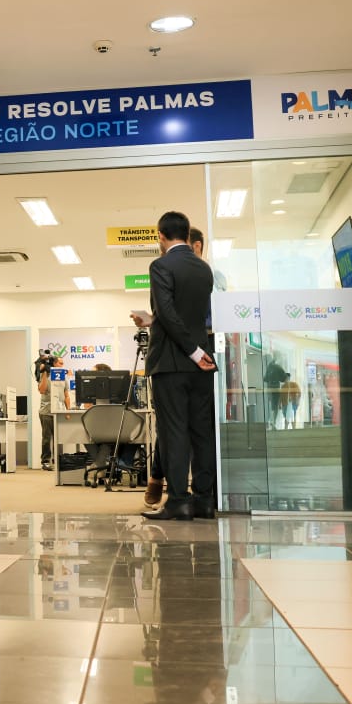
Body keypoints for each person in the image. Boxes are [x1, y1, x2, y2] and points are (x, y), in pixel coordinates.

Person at [133, 210, 217, 521]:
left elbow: (167, 314)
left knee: (174, 432)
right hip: (202, 363)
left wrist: (190, 351)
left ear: (161, 236)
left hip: (171, 362)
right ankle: (204, 501)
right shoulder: (204, 269)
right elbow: (189, 315)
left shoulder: (161, 265)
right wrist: (197, 352)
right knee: (201, 431)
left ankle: (179, 501)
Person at [38, 354, 69, 469]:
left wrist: (68, 411)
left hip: (59, 412)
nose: (62, 365)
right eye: (60, 363)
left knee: (59, 438)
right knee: (47, 438)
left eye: (63, 363)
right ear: (54, 364)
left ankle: (58, 459)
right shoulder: (46, 376)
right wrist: (44, 373)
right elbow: (41, 390)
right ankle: (45, 461)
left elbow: (66, 396)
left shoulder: (63, 378)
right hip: (46, 412)